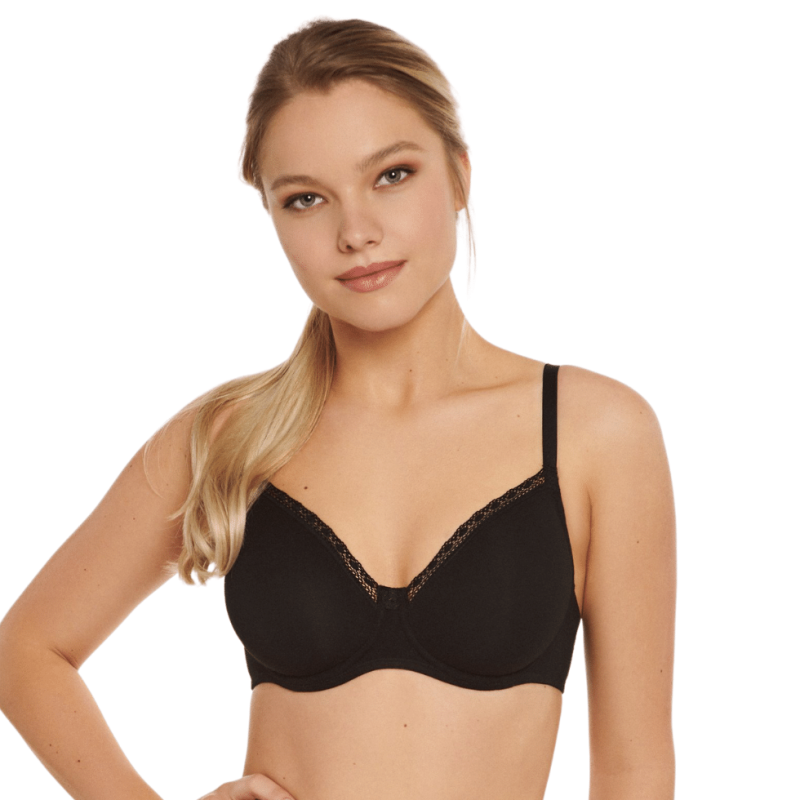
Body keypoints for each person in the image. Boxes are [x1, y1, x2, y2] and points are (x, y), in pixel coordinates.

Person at [0, 18, 676, 800]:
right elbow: (26, 651)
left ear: (459, 176)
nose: (355, 232)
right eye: (306, 199)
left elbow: (633, 770)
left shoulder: (594, 433)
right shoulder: (229, 439)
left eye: (392, 175)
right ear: (273, 217)